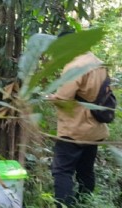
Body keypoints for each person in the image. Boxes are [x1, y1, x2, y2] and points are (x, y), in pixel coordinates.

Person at [48, 34, 109, 207]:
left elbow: (64, 99)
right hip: (94, 128)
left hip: (75, 129)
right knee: (85, 170)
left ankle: (64, 204)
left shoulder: (74, 66)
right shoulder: (97, 62)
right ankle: (85, 202)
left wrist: (51, 97)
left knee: (62, 171)